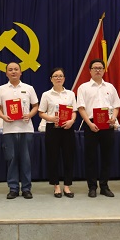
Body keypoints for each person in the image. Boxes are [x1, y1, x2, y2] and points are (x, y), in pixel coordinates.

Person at [77, 58, 120, 198]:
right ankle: (92, 187)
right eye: (95, 68)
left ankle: (104, 186)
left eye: (100, 68)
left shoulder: (110, 87)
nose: (97, 70)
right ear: (90, 71)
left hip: (107, 123)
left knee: (107, 156)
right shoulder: (83, 87)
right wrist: (89, 124)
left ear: (103, 70)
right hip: (91, 124)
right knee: (90, 157)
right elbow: (81, 108)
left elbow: (116, 106)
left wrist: (113, 118)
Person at [0, 62, 39, 199]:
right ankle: (13, 188)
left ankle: (26, 188)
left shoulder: (29, 88)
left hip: (26, 128)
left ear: (21, 72)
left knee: (26, 159)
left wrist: (29, 115)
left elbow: (36, 106)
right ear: (6, 73)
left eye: (16, 69)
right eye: (10, 70)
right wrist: (3, 116)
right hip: (9, 129)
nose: (13, 72)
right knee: (11, 158)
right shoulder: (1, 89)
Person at [38, 67, 77, 198]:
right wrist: (51, 118)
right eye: (55, 76)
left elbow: (74, 111)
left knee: (68, 157)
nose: (58, 78)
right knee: (53, 157)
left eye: (60, 76)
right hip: (52, 129)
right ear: (51, 79)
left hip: (68, 128)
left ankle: (67, 186)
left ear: (64, 78)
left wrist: (72, 121)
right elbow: (41, 112)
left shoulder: (70, 94)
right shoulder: (46, 94)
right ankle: (56, 186)